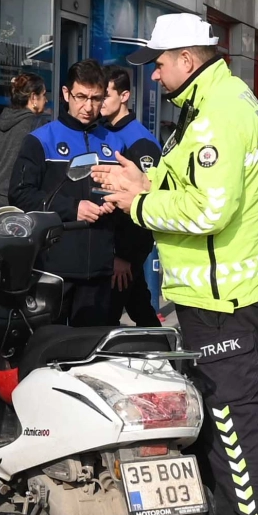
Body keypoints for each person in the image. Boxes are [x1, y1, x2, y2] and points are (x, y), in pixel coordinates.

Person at [94, 13, 258, 515]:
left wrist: (136, 204)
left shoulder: (219, 113)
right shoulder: (211, 102)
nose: (152, 74)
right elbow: (192, 185)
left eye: (158, 62)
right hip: (214, 292)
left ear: (187, 58)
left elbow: (208, 212)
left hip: (224, 297)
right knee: (212, 419)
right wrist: (146, 180)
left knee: (232, 423)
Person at [10, 59, 125, 326]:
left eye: (96, 98)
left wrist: (117, 205)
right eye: (81, 97)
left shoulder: (115, 143)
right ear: (65, 94)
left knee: (93, 359)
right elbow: (20, 194)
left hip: (100, 271)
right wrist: (72, 208)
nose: (88, 106)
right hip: (53, 270)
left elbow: (132, 198)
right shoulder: (40, 139)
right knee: (49, 355)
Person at [100, 65, 162, 327]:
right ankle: (167, 360)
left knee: (107, 320)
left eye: (105, 96)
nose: (98, 102)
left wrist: (125, 255)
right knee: (140, 310)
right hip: (106, 247)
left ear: (124, 96)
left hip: (123, 253)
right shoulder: (101, 132)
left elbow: (148, 202)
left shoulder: (140, 142)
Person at [0, 73, 49, 219]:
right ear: (34, 98)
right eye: (43, 95)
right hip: (17, 203)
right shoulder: (37, 126)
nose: (46, 100)